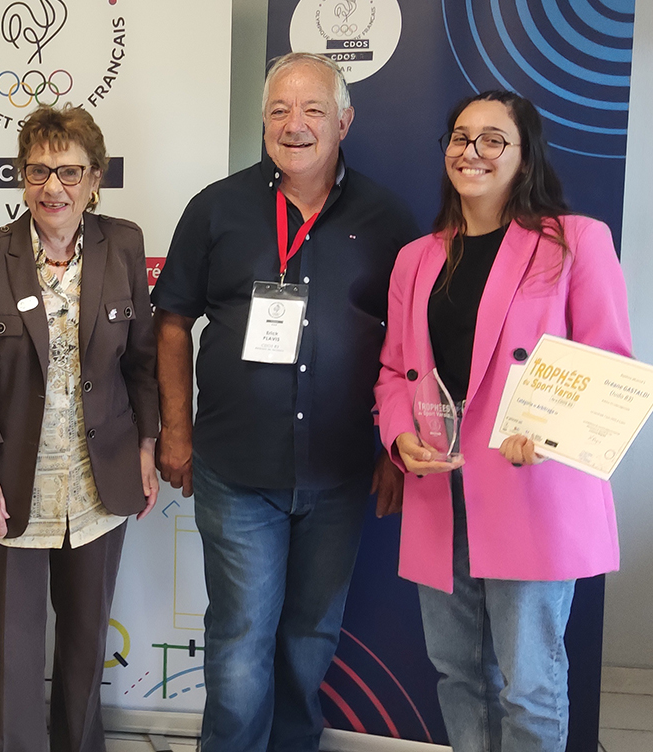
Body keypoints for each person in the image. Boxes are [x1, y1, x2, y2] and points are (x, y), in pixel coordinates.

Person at [152, 52, 415, 752]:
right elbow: (171, 322)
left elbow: (412, 344)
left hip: (338, 473)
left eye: (313, 110)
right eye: (279, 110)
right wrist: (175, 429)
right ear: (263, 121)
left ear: (344, 122)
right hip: (235, 470)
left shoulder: (389, 219)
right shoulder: (216, 208)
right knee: (240, 641)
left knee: (310, 640)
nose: (294, 125)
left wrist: (396, 447)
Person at [374, 90, 630, 752]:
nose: (473, 152)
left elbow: (609, 368)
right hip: (441, 484)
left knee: (529, 685)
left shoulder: (576, 241)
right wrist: (399, 436)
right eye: (461, 138)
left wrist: (548, 432)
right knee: (458, 674)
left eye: (493, 139)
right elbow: (394, 371)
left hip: (530, 485)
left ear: (525, 156)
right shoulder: (416, 258)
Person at [0, 104, 158, 752]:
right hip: (9, 484)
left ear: (95, 179)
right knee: (9, 652)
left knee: (86, 646)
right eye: (38, 171)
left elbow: (142, 362)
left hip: (98, 483)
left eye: (69, 172)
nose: (52, 187)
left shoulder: (123, 245)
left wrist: (147, 446)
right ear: (21, 177)